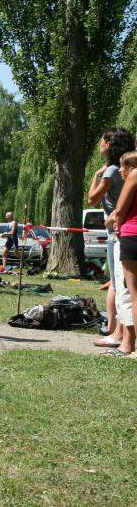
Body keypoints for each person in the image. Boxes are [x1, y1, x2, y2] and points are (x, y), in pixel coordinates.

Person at [89, 127, 135, 348]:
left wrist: (95, 176)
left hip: (118, 231)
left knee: (119, 285)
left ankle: (121, 335)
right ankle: (118, 332)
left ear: (108, 144)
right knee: (120, 284)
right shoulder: (123, 169)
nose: (99, 144)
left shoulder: (111, 171)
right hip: (122, 230)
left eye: (101, 141)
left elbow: (92, 199)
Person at [108, 150, 137, 357]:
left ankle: (131, 345)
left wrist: (115, 224)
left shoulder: (135, 174)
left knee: (134, 294)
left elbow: (119, 210)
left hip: (132, 235)